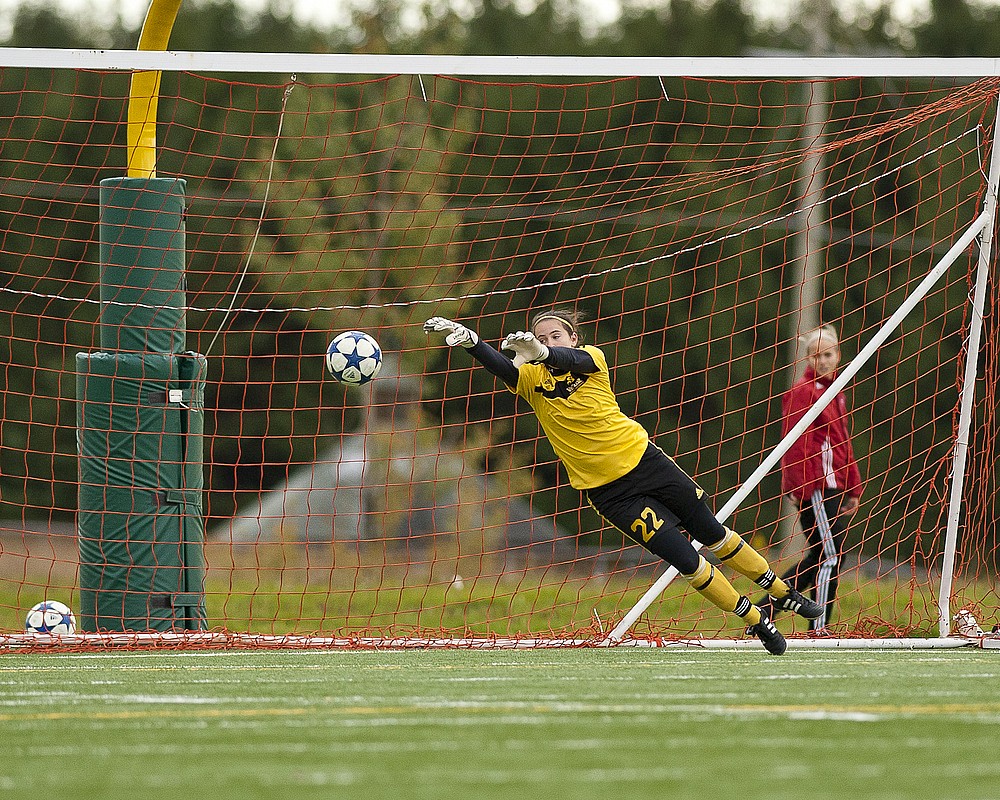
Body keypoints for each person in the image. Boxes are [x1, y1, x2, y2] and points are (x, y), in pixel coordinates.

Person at [424, 309, 824, 655]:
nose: (546, 341)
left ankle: (783, 593)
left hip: (645, 462)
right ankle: (757, 619)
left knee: (712, 532)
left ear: (573, 338)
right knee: (685, 559)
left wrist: (543, 352)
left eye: (554, 335)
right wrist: (473, 342)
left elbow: (569, 360)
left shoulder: (591, 358)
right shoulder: (530, 379)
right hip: (608, 493)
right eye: (540, 336)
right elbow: (504, 367)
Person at [762, 324, 862, 633]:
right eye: (816, 355)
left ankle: (764, 609)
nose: (823, 360)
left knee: (823, 555)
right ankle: (818, 627)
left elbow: (842, 441)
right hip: (815, 486)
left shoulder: (837, 393)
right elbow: (793, 443)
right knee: (831, 555)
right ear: (807, 359)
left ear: (838, 356)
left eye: (828, 354)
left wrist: (854, 487)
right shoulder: (802, 393)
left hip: (834, 485)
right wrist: (799, 486)